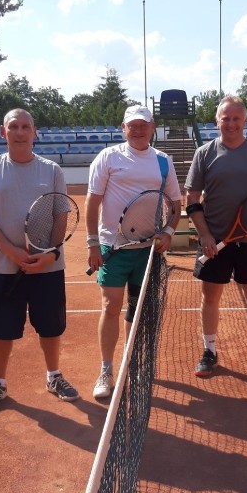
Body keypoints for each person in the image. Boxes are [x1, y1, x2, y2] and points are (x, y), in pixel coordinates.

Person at [0, 108, 79, 414]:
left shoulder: (52, 170)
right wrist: (12, 251)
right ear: (3, 132)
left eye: (25, 127)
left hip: (48, 266)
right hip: (3, 266)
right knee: (1, 329)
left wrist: (50, 253)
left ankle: (54, 377)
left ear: (35, 133)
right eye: (13, 127)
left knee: (50, 327)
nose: (20, 132)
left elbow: (61, 214)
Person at [85, 104, 182, 400]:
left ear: (153, 128)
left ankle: (133, 364)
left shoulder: (163, 162)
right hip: (112, 247)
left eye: (144, 124)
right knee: (110, 307)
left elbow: (176, 205)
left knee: (138, 312)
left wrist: (167, 232)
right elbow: (92, 202)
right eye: (132, 125)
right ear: (123, 128)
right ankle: (106, 369)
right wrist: (92, 242)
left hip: (148, 250)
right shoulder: (108, 157)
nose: (138, 129)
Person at [184, 95, 247, 379]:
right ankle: (210, 351)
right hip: (215, 241)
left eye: (236, 118)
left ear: (245, 120)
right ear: (217, 121)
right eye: (225, 118)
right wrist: (204, 235)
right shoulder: (204, 153)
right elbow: (191, 198)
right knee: (210, 297)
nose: (231, 124)